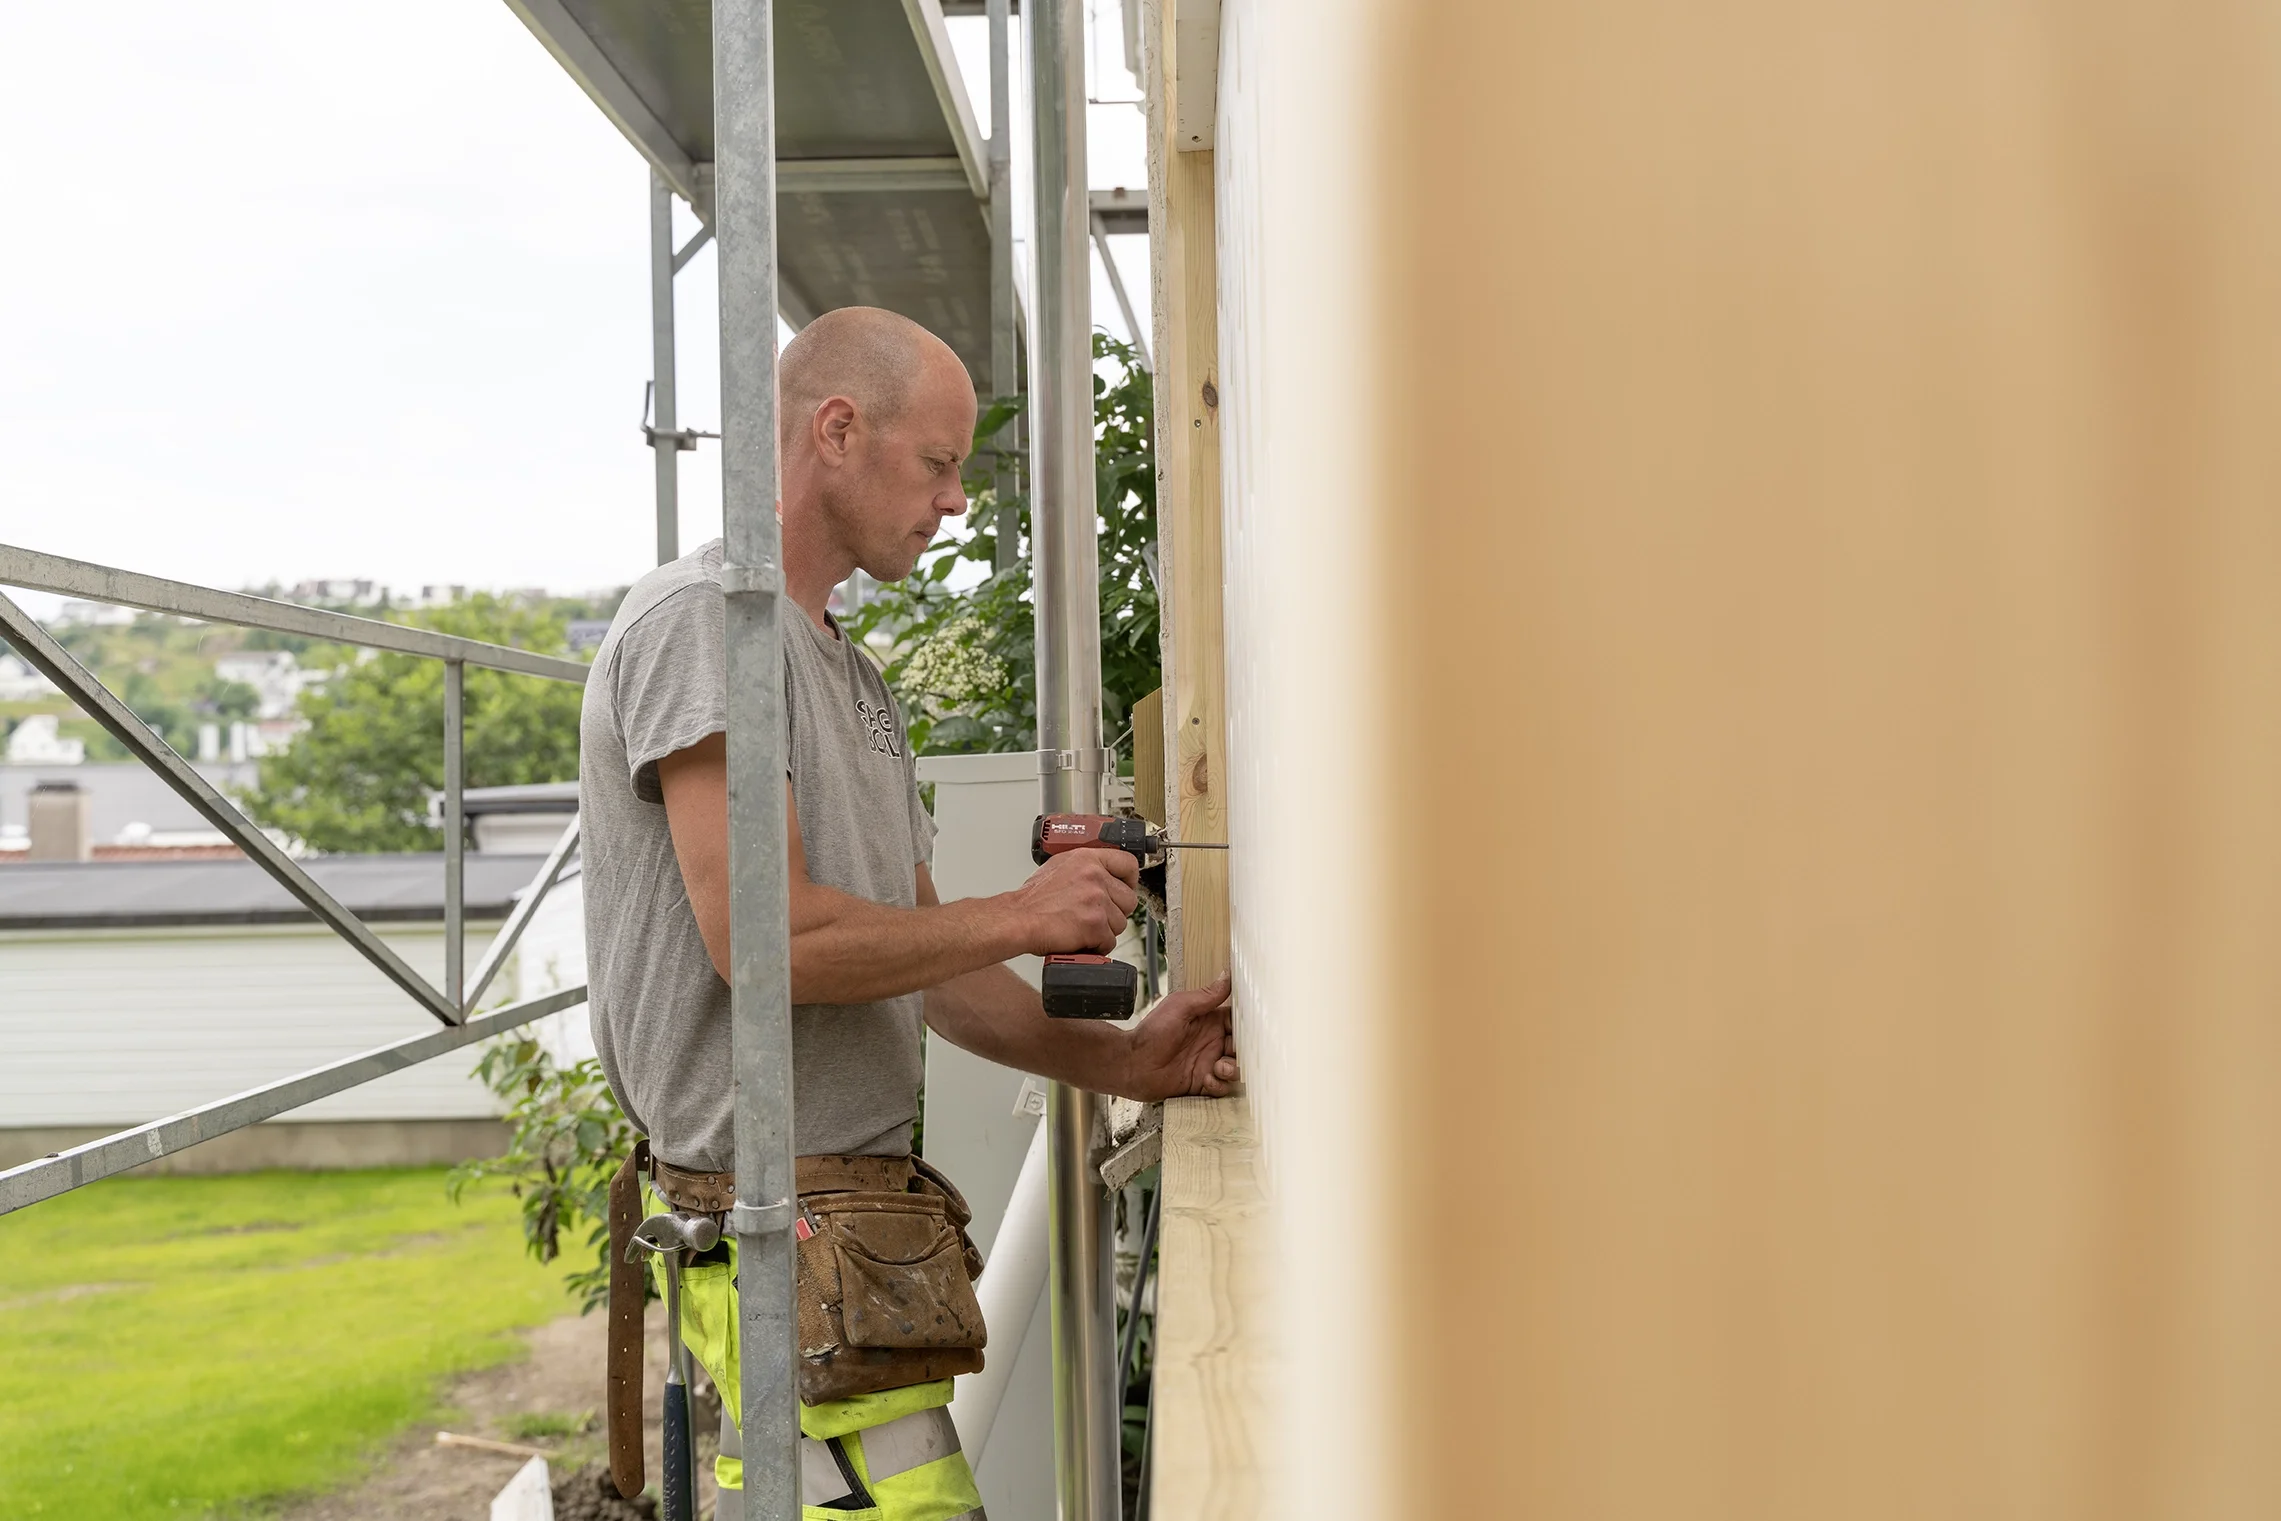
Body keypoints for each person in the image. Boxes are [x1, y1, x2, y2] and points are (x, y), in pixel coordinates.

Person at [579, 305, 1239, 1518]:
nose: (953, 502)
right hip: (778, 1234)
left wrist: (1125, 1063)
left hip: (850, 1235)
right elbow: (764, 945)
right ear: (838, 428)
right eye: (937, 463)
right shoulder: (703, 628)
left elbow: (930, 969)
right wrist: (1024, 910)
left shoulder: (850, 675)